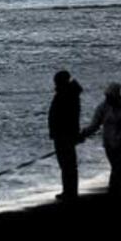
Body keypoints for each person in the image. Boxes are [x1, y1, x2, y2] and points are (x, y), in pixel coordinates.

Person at [80, 82, 121, 196]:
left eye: (109, 96)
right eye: (107, 96)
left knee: (118, 168)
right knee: (117, 168)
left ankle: (114, 190)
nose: (107, 98)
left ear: (116, 95)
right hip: (109, 143)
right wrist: (83, 134)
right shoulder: (102, 107)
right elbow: (95, 125)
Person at [48, 70, 82, 200]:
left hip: (64, 134)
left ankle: (70, 192)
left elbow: (70, 117)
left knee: (67, 165)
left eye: (56, 81)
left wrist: (71, 133)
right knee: (67, 165)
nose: (55, 83)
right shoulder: (68, 93)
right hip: (63, 134)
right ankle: (69, 190)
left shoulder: (66, 95)